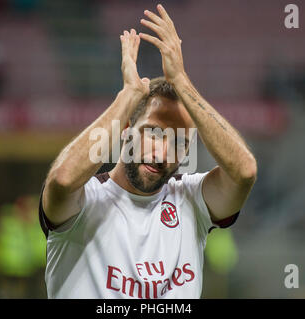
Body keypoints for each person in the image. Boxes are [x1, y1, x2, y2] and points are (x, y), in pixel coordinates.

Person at [39, 4, 257, 299]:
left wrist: (181, 80)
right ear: (127, 129)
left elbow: (244, 172)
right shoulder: (86, 198)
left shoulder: (191, 200)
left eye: (179, 142)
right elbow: (62, 180)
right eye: (153, 133)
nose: (162, 153)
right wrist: (127, 96)